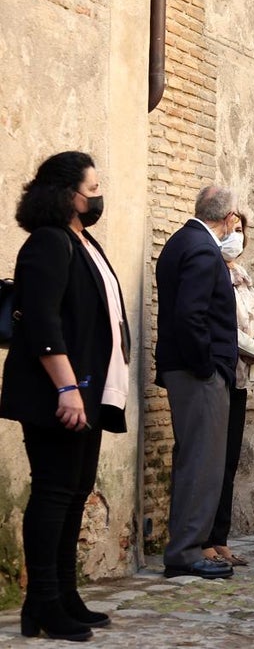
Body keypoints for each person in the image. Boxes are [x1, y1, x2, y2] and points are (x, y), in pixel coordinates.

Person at [1, 152, 129, 641]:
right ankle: (43, 603)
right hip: (58, 393)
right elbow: (42, 320)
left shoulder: (83, 241)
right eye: (92, 189)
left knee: (75, 493)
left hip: (88, 391)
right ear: (67, 195)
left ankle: (64, 594)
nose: (98, 196)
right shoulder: (49, 242)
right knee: (54, 493)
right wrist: (67, 386)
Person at [155, 185, 239, 581]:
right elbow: (191, 316)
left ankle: (185, 547)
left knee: (195, 457)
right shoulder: (203, 249)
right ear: (228, 219)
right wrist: (208, 367)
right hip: (197, 372)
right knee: (203, 460)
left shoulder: (181, 241)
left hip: (187, 368)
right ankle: (186, 551)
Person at [205, 211, 254, 568]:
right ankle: (203, 540)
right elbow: (220, 324)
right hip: (220, 371)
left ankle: (221, 538)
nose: (236, 236)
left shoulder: (243, 276)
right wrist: (252, 346)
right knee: (211, 461)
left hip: (241, 376)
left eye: (241, 230)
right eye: (231, 229)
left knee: (229, 460)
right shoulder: (211, 271)